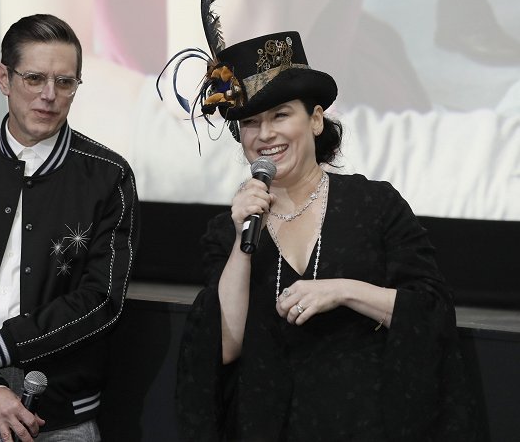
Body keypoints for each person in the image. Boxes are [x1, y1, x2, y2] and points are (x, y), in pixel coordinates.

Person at [174, 30, 480, 441]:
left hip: (365, 421)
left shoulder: (373, 204)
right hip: (266, 425)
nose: (265, 135)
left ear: (316, 120)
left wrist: (345, 291)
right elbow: (223, 348)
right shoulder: (227, 232)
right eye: (250, 123)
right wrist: (241, 248)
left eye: (280, 115)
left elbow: (429, 312)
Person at [0, 13, 139, 441]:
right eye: (34, 78)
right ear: (3, 77)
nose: (49, 96)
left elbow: (101, 298)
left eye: (65, 82)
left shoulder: (108, 176)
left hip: (59, 412)